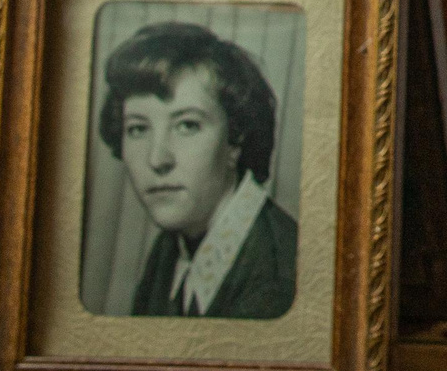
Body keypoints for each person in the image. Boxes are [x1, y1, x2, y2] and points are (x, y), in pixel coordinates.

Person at [96, 19, 298, 321]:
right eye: (138, 129)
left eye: (187, 125)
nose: (157, 158)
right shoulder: (176, 243)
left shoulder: (280, 283)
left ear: (235, 140)